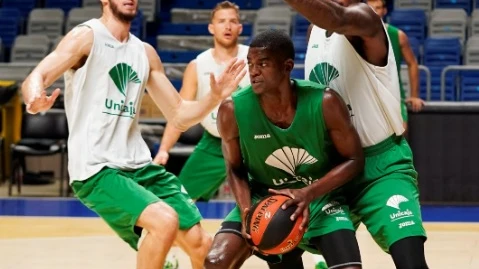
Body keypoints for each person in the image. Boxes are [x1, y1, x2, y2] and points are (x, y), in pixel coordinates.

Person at [20, 1, 247, 269]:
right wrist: (34, 96)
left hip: (140, 166)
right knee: (164, 220)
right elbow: (38, 75)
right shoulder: (87, 37)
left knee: (204, 249)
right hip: (98, 168)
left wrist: (214, 96)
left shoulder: (145, 52)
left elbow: (179, 115)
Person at [284, 0, 429, 268]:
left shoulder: (367, 19)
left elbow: (336, 18)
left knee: (411, 261)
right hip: (332, 168)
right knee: (280, 237)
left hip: (380, 167)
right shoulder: (313, 30)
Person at [204, 29, 365, 269]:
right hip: (262, 198)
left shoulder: (325, 101)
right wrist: (248, 210)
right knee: (215, 262)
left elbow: (354, 159)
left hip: (319, 198)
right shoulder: (232, 110)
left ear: (287, 66)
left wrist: (308, 193)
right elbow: (235, 168)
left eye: (263, 63)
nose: (254, 71)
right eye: (250, 63)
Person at [153, 1, 250, 201]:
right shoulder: (197, 65)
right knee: (178, 199)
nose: (228, 26)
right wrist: (163, 149)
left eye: (233, 21)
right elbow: (178, 113)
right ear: (211, 28)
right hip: (214, 142)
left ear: (240, 27)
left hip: (251, 142)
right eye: (222, 21)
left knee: (267, 201)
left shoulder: (253, 57)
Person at [367, 0, 424, 131]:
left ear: (384, 10)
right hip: (367, 94)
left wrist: (414, 95)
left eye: (378, 7)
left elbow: (412, 63)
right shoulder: (356, 36)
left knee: (400, 132)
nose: (374, 11)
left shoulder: (398, 36)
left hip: (393, 94)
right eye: (371, 8)